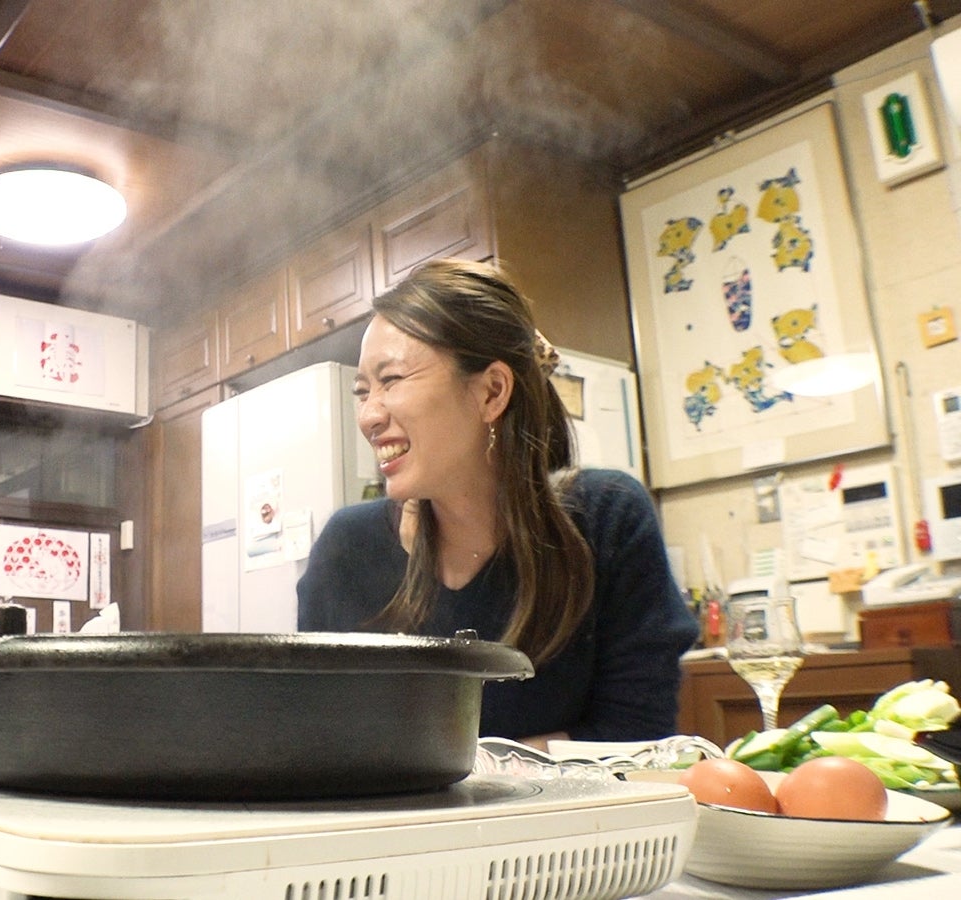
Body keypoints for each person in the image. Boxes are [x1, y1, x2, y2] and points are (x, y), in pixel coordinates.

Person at [297, 258, 698, 748]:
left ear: (491, 392)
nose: (369, 415)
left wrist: (456, 772)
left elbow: (639, 738)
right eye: (363, 392)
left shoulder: (606, 521)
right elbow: (318, 738)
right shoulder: (347, 549)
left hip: (569, 826)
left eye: (392, 380)